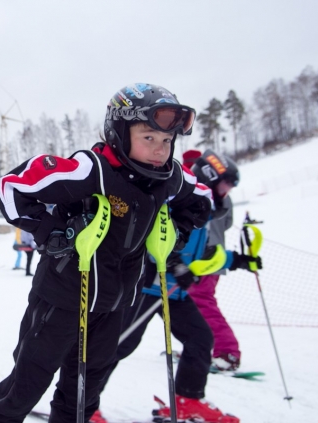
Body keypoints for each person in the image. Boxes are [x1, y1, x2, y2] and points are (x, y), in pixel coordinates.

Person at [0, 83, 212, 423]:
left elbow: (204, 199)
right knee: (26, 387)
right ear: (120, 130)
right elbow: (11, 186)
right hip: (59, 302)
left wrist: (177, 231)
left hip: (113, 308)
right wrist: (50, 232)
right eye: (148, 137)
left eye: (166, 141)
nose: (160, 150)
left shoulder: (169, 177)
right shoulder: (91, 169)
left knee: (82, 396)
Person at [92, 150, 261, 423]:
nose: (228, 191)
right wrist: (173, 264)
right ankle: (82, 404)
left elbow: (205, 255)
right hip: (147, 286)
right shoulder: (179, 195)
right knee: (119, 344)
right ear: (211, 175)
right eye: (226, 184)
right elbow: (151, 232)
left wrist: (238, 260)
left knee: (200, 339)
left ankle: (188, 400)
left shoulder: (204, 208)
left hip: (174, 292)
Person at [187, 150, 243, 371]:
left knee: (202, 305)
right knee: (190, 308)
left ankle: (227, 351)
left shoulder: (197, 194)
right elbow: (227, 222)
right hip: (208, 258)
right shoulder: (221, 199)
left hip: (205, 260)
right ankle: (197, 348)